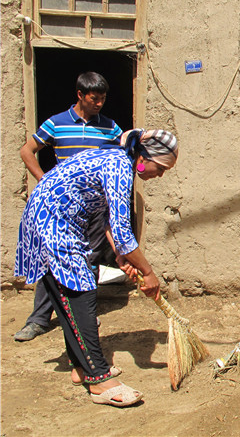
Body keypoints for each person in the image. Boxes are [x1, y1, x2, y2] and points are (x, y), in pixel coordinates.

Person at [14, 129, 178, 407]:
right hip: (52, 220)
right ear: (144, 157)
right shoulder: (119, 166)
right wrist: (149, 273)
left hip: (57, 219)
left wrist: (121, 255)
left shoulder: (117, 160)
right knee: (80, 292)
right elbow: (124, 233)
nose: (160, 175)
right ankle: (98, 379)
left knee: (74, 292)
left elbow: (105, 218)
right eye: (160, 168)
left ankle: (81, 368)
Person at [14, 71, 123, 342]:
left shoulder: (110, 128)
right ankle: (39, 320)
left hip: (95, 207)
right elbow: (27, 150)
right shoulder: (57, 123)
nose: (99, 104)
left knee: (90, 260)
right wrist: (45, 181)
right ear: (80, 95)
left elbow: (122, 156)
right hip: (63, 210)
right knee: (53, 260)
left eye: (103, 98)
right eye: (94, 98)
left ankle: (84, 314)